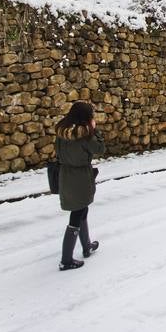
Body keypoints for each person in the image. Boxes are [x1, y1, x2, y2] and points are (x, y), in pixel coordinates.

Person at [55, 100, 105, 271]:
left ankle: (86, 246)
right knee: (77, 214)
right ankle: (66, 259)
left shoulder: (62, 131)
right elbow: (100, 148)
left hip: (65, 174)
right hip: (81, 176)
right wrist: (95, 130)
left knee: (81, 209)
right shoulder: (85, 134)